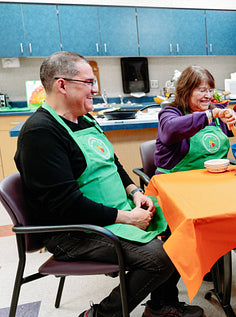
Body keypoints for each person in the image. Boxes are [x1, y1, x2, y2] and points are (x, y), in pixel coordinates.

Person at [14, 51, 203, 317]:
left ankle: (160, 306)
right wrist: (127, 218)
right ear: (62, 84)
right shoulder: (41, 133)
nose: (96, 89)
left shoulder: (85, 120)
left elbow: (113, 165)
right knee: (162, 257)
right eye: (89, 82)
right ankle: (100, 315)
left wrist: (135, 193)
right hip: (74, 232)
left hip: (111, 213)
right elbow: (66, 205)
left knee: (182, 225)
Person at [155, 65, 236, 173]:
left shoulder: (216, 112)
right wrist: (210, 115)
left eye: (210, 90)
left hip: (213, 181)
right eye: (202, 91)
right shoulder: (171, 113)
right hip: (175, 182)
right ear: (186, 92)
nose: (208, 96)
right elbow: (170, 129)